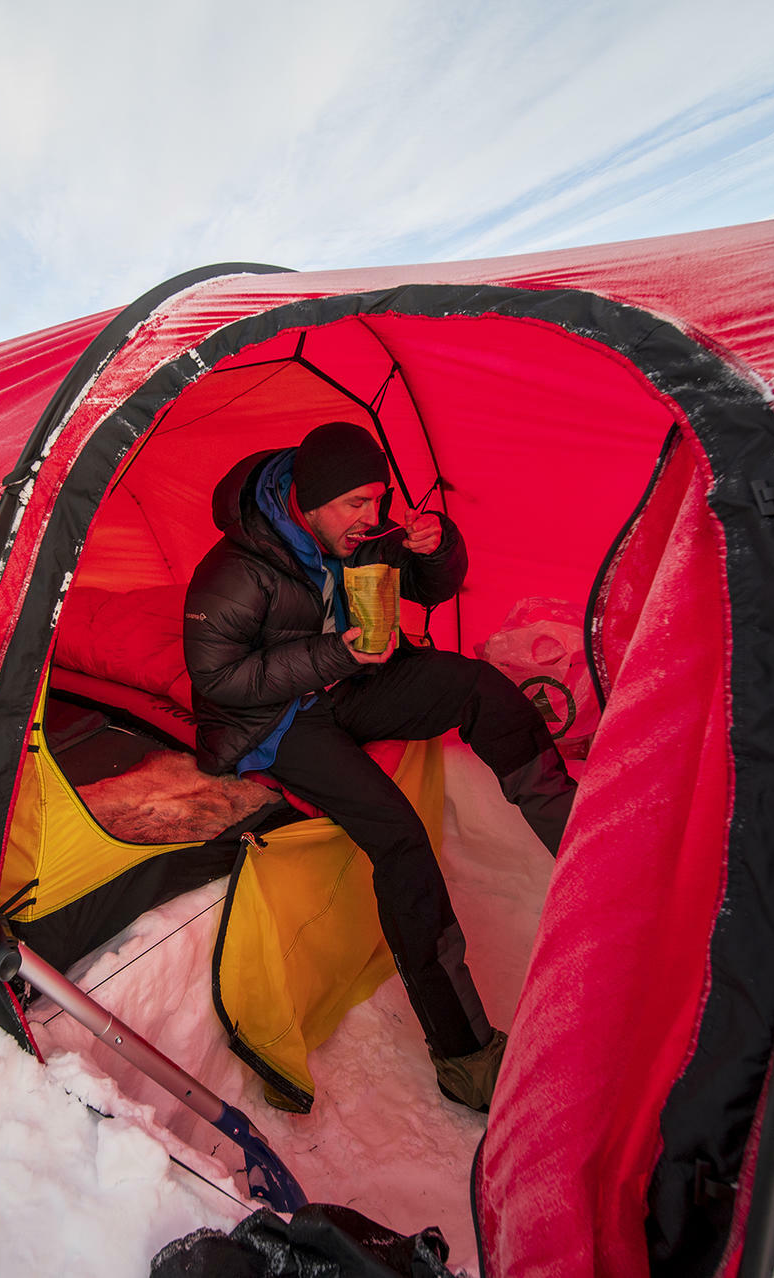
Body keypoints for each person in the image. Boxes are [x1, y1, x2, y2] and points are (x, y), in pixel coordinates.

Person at [182, 421, 577, 1112]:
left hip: (354, 684)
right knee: (399, 838)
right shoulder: (235, 570)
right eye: (357, 504)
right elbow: (218, 680)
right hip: (277, 723)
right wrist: (339, 655)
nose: (373, 517)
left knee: (481, 687)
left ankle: (585, 851)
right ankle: (464, 1056)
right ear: (308, 501)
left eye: (379, 499)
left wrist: (436, 548)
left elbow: (434, 590)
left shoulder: (366, 535)